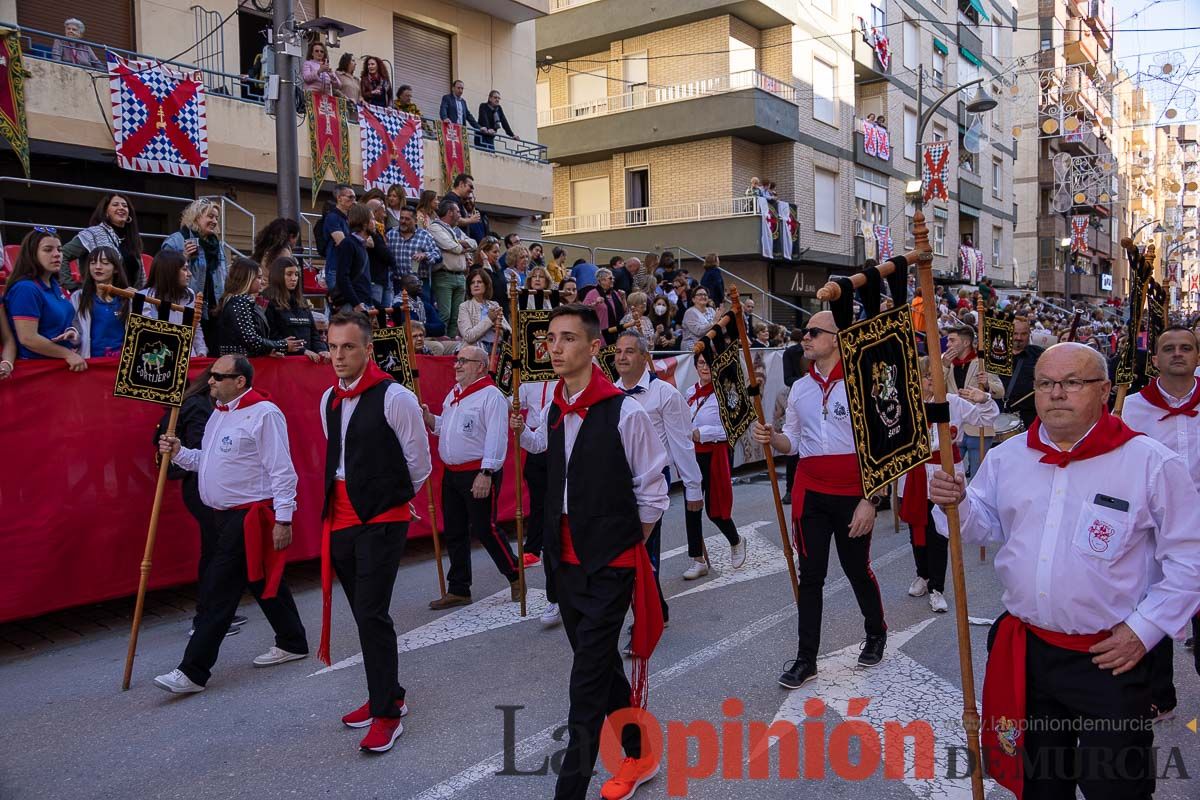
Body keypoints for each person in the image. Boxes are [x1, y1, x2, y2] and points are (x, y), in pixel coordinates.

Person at [928, 343, 1200, 800]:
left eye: (1072, 382)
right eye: (1045, 384)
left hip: (1110, 659)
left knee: (1115, 787)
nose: (1057, 394)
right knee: (1040, 784)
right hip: (1029, 653)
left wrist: (1144, 629)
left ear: (1104, 390)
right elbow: (980, 526)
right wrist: (955, 502)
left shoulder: (1151, 463)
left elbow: (1189, 558)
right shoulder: (1008, 457)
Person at [511, 304, 669, 800]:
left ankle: (569, 792)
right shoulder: (556, 405)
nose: (555, 348)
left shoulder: (627, 411)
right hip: (565, 563)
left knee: (584, 687)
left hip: (609, 566)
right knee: (599, 668)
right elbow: (550, 462)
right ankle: (640, 747)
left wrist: (622, 547)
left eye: (568, 339)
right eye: (552, 339)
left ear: (594, 347)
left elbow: (653, 492)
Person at [154, 355, 310, 694]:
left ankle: (193, 671)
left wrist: (284, 518)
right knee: (260, 579)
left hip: (249, 515)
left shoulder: (264, 413)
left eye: (218, 377)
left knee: (218, 590)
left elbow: (282, 470)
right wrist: (180, 451)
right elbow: (203, 461)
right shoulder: (218, 416)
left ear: (240, 380)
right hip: (222, 516)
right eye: (210, 376)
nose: (210, 382)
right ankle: (293, 641)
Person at [752, 311, 889, 688]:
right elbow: (792, 443)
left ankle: (876, 632)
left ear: (836, 338)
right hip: (811, 493)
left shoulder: (863, 383)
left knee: (857, 569)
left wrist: (871, 500)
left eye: (813, 332)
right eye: (804, 332)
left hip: (852, 494)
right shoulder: (800, 388)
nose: (805, 338)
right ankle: (805, 659)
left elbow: (881, 446)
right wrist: (772, 438)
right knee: (810, 577)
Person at [317, 312, 432, 752]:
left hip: (383, 518)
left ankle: (386, 713)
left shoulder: (395, 396)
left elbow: (418, 461)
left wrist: (395, 499)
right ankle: (389, 695)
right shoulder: (327, 398)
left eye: (348, 347)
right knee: (364, 614)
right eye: (332, 347)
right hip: (340, 516)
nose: (339, 355)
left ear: (368, 349)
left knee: (372, 612)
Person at [1120, 326, 1200, 715]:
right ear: (1154, 360)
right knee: (1156, 603)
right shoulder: (1132, 407)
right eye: (1169, 348)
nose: (1178, 354)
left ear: (1198, 357)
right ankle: (1159, 694)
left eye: (1187, 348)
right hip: (1155, 527)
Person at [613, 330, 703, 629]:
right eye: (618, 351)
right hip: (616, 483)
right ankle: (657, 610)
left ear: (645, 357)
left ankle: (646, 621)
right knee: (625, 553)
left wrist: (693, 488)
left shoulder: (665, 394)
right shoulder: (610, 394)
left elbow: (682, 442)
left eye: (629, 351)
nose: (622, 357)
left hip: (652, 481)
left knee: (643, 552)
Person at [422, 345, 521, 608]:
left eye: (464, 361)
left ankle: (515, 574)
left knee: (484, 528)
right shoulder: (454, 394)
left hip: (478, 473)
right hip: (452, 475)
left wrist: (486, 472)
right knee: (454, 531)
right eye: (457, 360)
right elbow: (447, 427)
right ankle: (459, 588)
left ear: (480, 366)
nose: (457, 365)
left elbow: (497, 437)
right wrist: (431, 419)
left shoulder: (491, 396)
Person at [897, 357, 998, 613]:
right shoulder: (905, 405)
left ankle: (937, 588)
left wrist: (983, 398)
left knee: (939, 532)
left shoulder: (952, 402)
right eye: (926, 375)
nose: (931, 380)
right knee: (916, 526)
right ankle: (923, 574)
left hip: (943, 472)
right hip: (913, 474)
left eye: (935, 375)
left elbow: (986, 418)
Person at [155, 367, 249, 639]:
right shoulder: (198, 405)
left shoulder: (197, 404)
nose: (213, 383)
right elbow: (202, 451)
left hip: (201, 485)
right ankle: (207, 615)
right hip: (201, 486)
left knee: (215, 549)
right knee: (218, 552)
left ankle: (215, 611)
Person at [680, 350, 748, 579]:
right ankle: (697, 559)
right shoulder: (690, 392)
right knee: (691, 507)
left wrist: (702, 433)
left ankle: (736, 540)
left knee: (715, 510)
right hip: (692, 457)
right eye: (700, 362)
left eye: (709, 362)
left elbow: (731, 430)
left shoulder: (727, 393)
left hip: (716, 455)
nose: (705, 367)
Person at [4, 228, 84, 369]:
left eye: (59, 250)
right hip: (36, 370)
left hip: (58, 366)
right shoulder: (26, 289)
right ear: (32, 254)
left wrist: (72, 333)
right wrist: (67, 354)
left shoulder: (55, 285)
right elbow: (28, 338)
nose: (56, 255)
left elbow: (63, 321)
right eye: (48, 250)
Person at [162, 198, 227, 352]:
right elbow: (163, 271)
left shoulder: (217, 245)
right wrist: (183, 256)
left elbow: (224, 276)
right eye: (210, 216)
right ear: (196, 217)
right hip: (185, 307)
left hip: (213, 311)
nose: (215, 221)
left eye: (216, 218)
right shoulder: (176, 240)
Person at [942, 325, 1004, 477]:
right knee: (950, 474)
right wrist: (944, 366)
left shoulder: (982, 362)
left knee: (978, 477)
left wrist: (988, 385)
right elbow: (935, 388)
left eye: (952, 340)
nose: (947, 344)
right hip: (954, 427)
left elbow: (1001, 391)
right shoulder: (944, 362)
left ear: (965, 343)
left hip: (979, 427)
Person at [59, 193, 144, 290]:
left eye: (125, 206)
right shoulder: (92, 234)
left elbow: (138, 277)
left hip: (127, 299)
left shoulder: (132, 238)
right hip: (98, 299)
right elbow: (63, 254)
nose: (121, 208)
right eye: (115, 204)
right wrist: (72, 287)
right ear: (105, 211)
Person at [218, 257, 298, 357]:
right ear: (247, 279)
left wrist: (269, 350)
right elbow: (251, 340)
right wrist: (282, 345)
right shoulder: (239, 301)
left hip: (240, 361)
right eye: (259, 278)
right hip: (238, 364)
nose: (263, 282)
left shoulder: (238, 301)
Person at [138, 250, 207, 356]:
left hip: (188, 358)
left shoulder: (190, 294)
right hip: (159, 361)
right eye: (184, 269)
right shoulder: (144, 297)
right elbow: (147, 335)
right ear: (170, 271)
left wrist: (201, 351)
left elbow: (195, 327)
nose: (189, 274)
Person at [264, 256, 329, 362]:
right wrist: (302, 351)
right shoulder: (268, 301)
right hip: (284, 362)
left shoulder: (301, 301)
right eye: (289, 274)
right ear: (278, 275)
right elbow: (272, 337)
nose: (294, 278)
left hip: (308, 361)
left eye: (296, 274)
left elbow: (314, 334)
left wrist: (322, 350)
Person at [427, 199, 476, 337]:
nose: (460, 215)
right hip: (444, 275)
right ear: (449, 212)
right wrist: (461, 246)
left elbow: (474, 244)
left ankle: (452, 341)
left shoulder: (455, 230)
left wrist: (460, 243)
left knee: (457, 316)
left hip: (460, 276)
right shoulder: (435, 227)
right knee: (445, 314)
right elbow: (452, 247)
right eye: (458, 212)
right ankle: (441, 342)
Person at [69, 246, 128, 358]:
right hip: (90, 362)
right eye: (92, 263)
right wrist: (73, 336)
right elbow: (75, 330)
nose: (97, 267)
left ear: (116, 269)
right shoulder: (78, 297)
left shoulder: (127, 299)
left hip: (120, 364)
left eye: (105, 263)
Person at [329, 204, 375, 315]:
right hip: (351, 306)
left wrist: (369, 302)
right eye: (372, 219)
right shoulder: (348, 243)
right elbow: (342, 277)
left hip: (362, 303)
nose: (375, 223)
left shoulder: (360, 245)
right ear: (364, 224)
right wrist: (356, 303)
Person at [385, 206, 441, 296]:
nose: (403, 221)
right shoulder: (391, 234)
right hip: (397, 283)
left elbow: (438, 255)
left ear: (415, 221)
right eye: (401, 218)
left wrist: (425, 255)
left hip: (419, 283)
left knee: (422, 308)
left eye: (407, 219)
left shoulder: (424, 235)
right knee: (400, 309)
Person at [1004, 316, 1044, 429]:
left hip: (1030, 417)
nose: (1019, 338)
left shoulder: (1039, 354)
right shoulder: (997, 353)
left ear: (1029, 334)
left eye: (1023, 334)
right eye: (1015, 333)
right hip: (998, 417)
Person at [458, 268, 509, 355]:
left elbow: (509, 331)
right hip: (476, 350)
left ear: (486, 285)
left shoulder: (494, 305)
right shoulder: (464, 306)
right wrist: (489, 319)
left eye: (479, 282)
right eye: (472, 283)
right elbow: (468, 336)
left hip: (497, 348)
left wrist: (501, 329)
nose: (476, 285)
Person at [365, 199, 396, 310]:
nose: (385, 215)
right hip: (375, 278)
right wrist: (392, 260)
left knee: (386, 313)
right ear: (374, 212)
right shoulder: (370, 233)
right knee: (376, 312)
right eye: (382, 211)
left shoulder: (380, 231)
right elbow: (384, 253)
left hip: (384, 277)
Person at [582, 267, 626, 345]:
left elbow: (624, 310)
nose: (613, 280)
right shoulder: (592, 294)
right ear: (602, 280)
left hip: (617, 333)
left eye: (613, 278)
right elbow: (583, 311)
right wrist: (595, 303)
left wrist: (623, 298)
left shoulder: (614, 293)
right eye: (610, 278)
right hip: (602, 334)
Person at [679, 286, 716, 353]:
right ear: (693, 299)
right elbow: (698, 331)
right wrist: (714, 322)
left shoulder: (711, 310)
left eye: (705, 295)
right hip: (692, 349)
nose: (703, 296)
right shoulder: (690, 312)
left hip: (709, 347)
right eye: (699, 295)